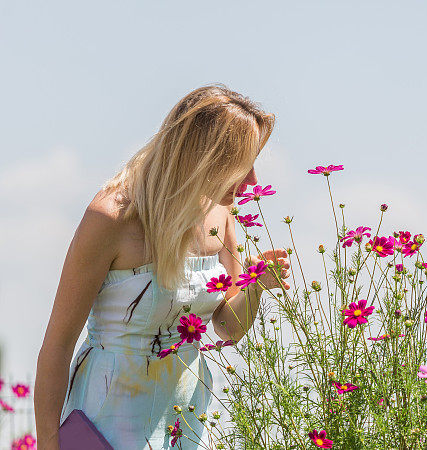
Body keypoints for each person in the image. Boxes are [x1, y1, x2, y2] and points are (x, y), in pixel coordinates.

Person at [33, 84, 291, 450]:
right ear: (205, 156)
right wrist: (47, 444)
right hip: (106, 416)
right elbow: (56, 346)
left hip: (185, 416)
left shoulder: (221, 215)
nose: (252, 182)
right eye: (243, 164)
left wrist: (256, 285)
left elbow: (227, 327)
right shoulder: (111, 218)